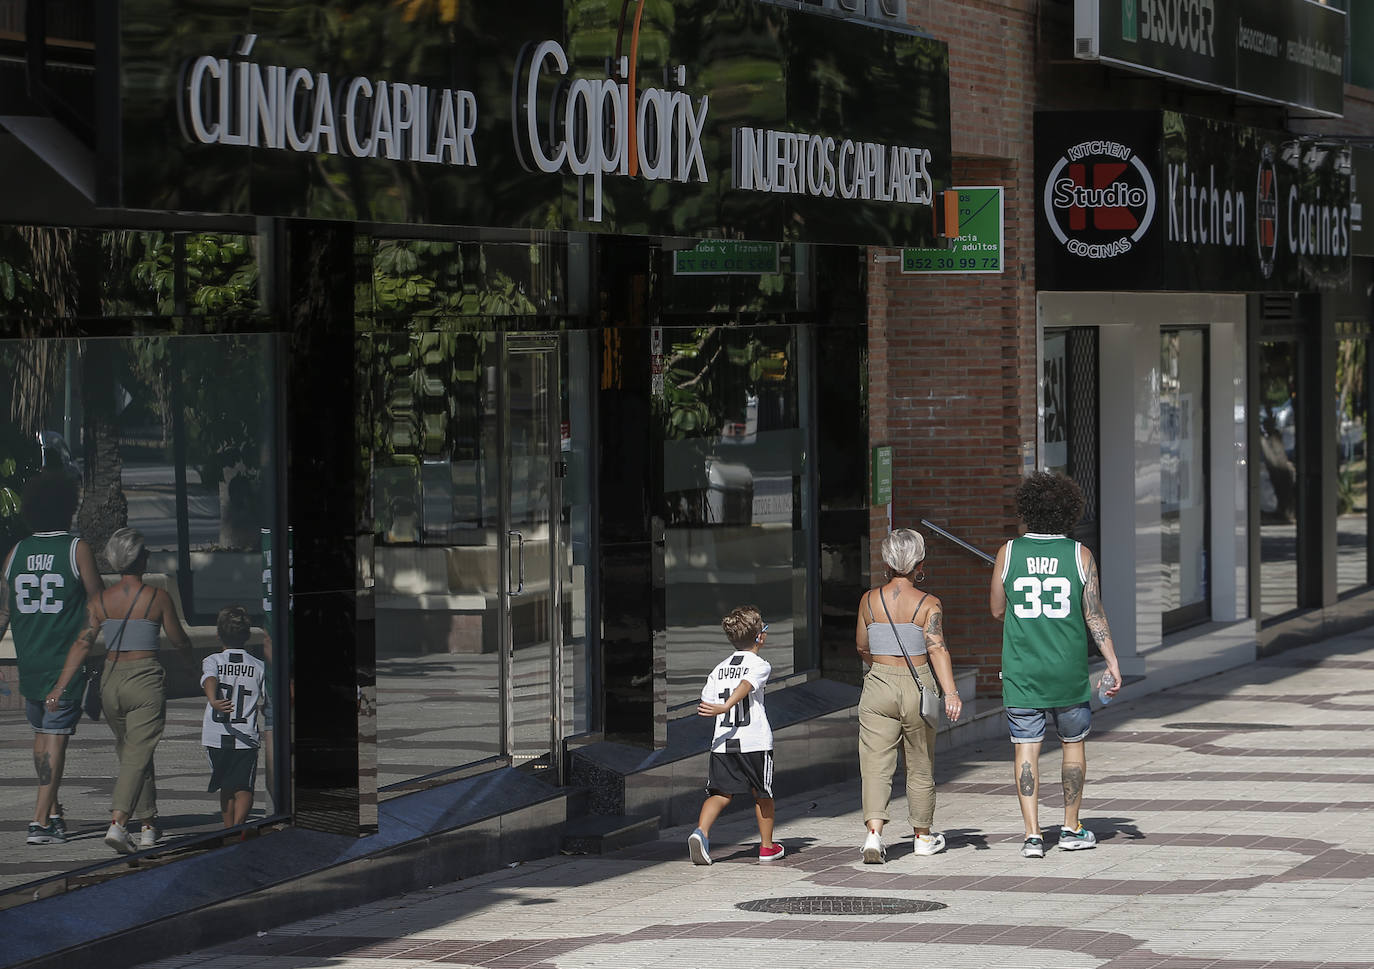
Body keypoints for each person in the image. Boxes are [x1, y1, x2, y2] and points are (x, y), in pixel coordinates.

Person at [990, 471, 1123, 859]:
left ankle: (1033, 835)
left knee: (1025, 749)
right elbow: (1094, 615)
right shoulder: (1081, 555)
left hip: (1022, 670)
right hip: (1068, 670)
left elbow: (996, 609)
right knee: (1072, 744)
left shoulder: (1008, 553)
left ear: (1027, 509)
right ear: (1069, 511)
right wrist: (1112, 662)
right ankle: (1070, 827)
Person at [0, 471, 104, 845]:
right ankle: (39, 821)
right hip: (66, 663)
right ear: (67, 506)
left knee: (42, 736)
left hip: (30, 660)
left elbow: (3, 610)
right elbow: (99, 602)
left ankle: (54, 813)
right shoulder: (77, 549)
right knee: (55, 739)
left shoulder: (16, 552)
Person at [855, 528, 962, 863]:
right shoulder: (929, 604)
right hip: (918, 684)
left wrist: (880, 669)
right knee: (920, 763)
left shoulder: (868, 601)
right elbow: (937, 649)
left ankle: (874, 835)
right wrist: (951, 693)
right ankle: (922, 837)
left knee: (875, 765)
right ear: (920, 564)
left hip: (878, 683)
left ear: (886, 563)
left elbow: (862, 646)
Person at [94, 527, 191, 854]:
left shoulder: (101, 599)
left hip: (110, 681)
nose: (149, 555)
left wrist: (62, 683)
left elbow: (82, 641)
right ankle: (119, 823)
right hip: (144, 677)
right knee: (136, 755)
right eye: (146, 552)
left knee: (135, 752)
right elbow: (179, 640)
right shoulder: (158, 597)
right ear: (138, 559)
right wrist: (192, 666)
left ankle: (148, 825)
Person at [687, 605, 784, 865]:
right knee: (762, 793)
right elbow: (746, 684)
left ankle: (701, 832)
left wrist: (721, 707)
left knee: (719, 793)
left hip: (723, 743)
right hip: (754, 741)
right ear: (760, 637)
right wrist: (728, 705)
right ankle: (767, 847)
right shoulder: (760, 664)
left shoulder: (718, 669)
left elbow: (707, 701)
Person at [200, 606, 266, 829]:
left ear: (218, 634)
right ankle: (239, 827)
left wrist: (213, 699)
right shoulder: (258, 666)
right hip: (246, 736)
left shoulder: (213, 660)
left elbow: (209, 678)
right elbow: (268, 700)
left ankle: (229, 831)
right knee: (244, 787)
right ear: (247, 635)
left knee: (226, 785)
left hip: (216, 735)